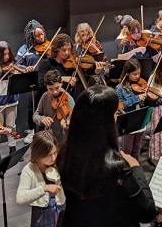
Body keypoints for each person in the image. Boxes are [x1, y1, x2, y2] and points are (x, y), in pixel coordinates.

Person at [56, 85, 155, 226]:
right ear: (105, 121)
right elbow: (147, 213)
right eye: (115, 113)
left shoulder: (66, 154)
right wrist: (136, 169)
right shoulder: (116, 167)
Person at [16, 131, 65, 227]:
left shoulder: (57, 163)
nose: (53, 157)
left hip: (61, 210)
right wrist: (44, 188)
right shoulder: (29, 170)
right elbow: (20, 199)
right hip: (42, 216)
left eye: (55, 152)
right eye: (48, 155)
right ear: (38, 153)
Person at [18, 19, 48, 144]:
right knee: (32, 108)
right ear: (31, 36)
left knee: (47, 106)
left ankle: (46, 130)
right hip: (32, 82)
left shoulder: (48, 46)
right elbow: (16, 65)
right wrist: (25, 68)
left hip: (46, 82)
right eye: (37, 35)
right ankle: (31, 131)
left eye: (42, 34)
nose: (41, 37)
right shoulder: (25, 49)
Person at [116, 59, 148, 159]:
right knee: (127, 150)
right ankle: (127, 169)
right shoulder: (120, 88)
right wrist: (137, 98)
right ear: (126, 73)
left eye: (139, 73)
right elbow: (120, 105)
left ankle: (135, 168)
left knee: (137, 148)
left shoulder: (141, 84)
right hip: (129, 123)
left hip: (140, 120)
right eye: (134, 74)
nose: (138, 76)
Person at [33, 70, 75, 144]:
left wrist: (67, 122)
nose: (54, 92)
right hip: (49, 139)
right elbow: (35, 115)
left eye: (57, 88)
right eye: (50, 89)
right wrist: (42, 119)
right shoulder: (45, 96)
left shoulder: (68, 98)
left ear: (61, 83)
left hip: (64, 140)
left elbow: (75, 120)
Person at [37, 33, 84, 98]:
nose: (67, 53)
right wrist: (61, 78)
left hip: (72, 99)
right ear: (56, 49)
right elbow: (41, 84)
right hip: (53, 100)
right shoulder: (46, 64)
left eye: (69, 49)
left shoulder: (72, 63)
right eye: (64, 50)